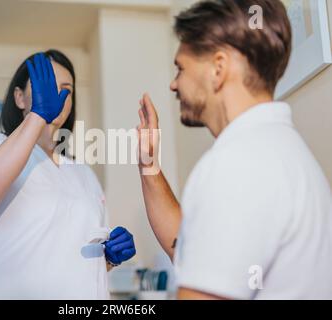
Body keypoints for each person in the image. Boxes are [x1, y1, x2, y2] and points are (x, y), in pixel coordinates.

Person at [136, 0, 332, 299]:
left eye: (181, 68)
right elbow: (199, 253)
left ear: (218, 68)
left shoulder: (237, 164)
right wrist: (149, 166)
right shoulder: (278, 151)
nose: (174, 85)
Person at [0, 50, 136, 299]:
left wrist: (109, 258)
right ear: (19, 97)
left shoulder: (84, 173)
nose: (58, 95)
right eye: (47, 86)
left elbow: (75, 262)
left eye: (67, 89)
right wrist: (37, 117)